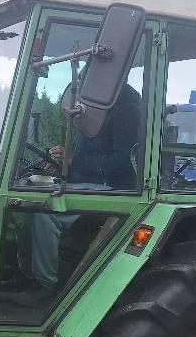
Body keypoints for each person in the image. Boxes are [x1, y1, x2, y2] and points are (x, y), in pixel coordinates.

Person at [8, 84, 143, 307]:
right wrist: (63, 166)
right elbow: (86, 160)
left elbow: (123, 164)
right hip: (90, 183)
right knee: (30, 203)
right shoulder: (97, 111)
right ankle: (27, 276)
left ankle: (45, 286)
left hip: (117, 189)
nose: (83, 82)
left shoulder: (127, 111)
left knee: (47, 212)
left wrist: (74, 160)